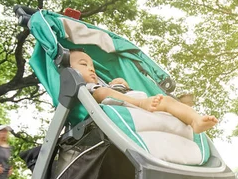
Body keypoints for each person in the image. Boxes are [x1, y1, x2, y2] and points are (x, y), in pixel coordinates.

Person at [69, 49, 218, 133]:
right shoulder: (85, 88)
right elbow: (102, 95)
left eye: (93, 67)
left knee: (167, 101)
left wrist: (120, 83)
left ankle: (195, 120)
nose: (91, 69)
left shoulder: (104, 84)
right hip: (128, 105)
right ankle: (142, 103)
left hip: (134, 101)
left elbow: (122, 90)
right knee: (100, 93)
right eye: (83, 64)